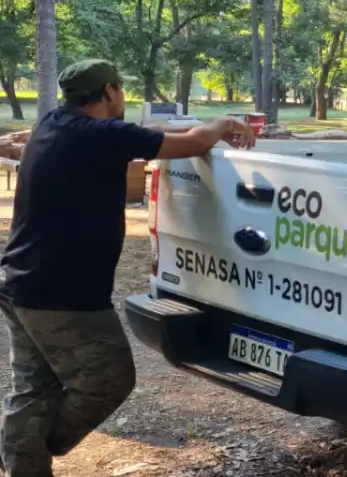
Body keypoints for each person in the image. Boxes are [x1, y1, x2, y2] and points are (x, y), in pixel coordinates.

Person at [0, 59, 254, 477]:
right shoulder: (101, 136)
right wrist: (224, 121)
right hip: (62, 295)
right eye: (121, 89)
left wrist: (213, 126)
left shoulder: (55, 124)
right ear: (110, 92)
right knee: (109, 381)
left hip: (19, 284)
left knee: (33, 387)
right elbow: (192, 143)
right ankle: (22, 445)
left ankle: (22, 459)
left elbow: (155, 136)